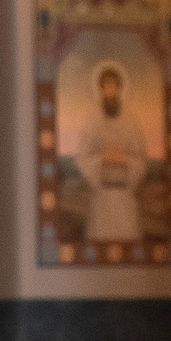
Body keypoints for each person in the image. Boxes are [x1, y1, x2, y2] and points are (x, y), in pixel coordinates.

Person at [72, 60, 147, 243]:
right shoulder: (92, 122)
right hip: (102, 198)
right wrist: (102, 158)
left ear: (121, 89)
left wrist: (125, 159)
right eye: (106, 86)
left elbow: (141, 159)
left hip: (125, 198)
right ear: (100, 89)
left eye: (114, 86)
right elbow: (82, 158)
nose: (110, 91)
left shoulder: (132, 123)